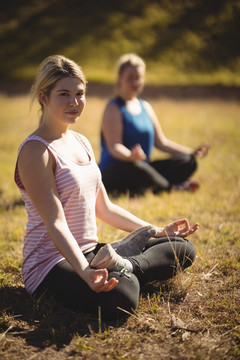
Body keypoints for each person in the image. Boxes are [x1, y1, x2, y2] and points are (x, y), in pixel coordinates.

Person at [14, 55, 199, 321]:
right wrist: (84, 271)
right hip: (51, 265)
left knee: (182, 247)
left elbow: (105, 208)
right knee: (124, 295)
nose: (74, 102)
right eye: (64, 94)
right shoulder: (36, 151)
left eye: (79, 93)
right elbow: (55, 222)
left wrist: (157, 230)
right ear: (44, 97)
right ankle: (124, 270)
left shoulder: (81, 141)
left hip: (92, 253)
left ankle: (125, 264)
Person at [99, 53, 210, 196]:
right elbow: (114, 147)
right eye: (130, 78)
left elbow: (161, 142)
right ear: (120, 78)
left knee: (188, 161)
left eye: (138, 78)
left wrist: (190, 152)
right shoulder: (113, 107)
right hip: (117, 169)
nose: (135, 82)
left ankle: (145, 186)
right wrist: (130, 156)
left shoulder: (146, 107)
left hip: (142, 166)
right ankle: (171, 188)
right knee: (137, 168)